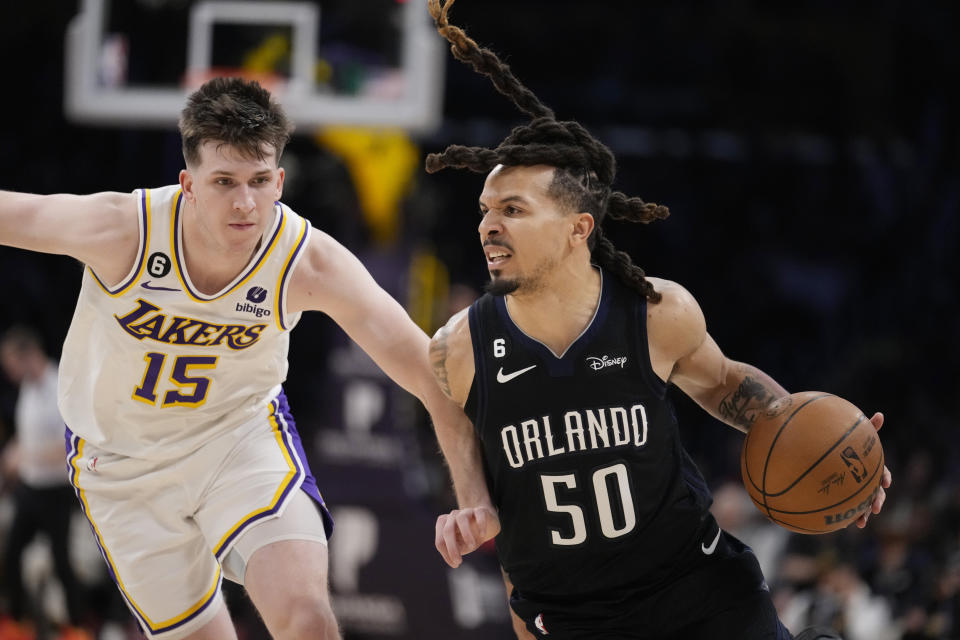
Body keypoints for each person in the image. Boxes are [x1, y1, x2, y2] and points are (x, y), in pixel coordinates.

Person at [424, 1, 892, 639]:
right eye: (485, 209)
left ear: (577, 229)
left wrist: (836, 449)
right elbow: (449, 412)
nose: (487, 225)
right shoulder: (459, 346)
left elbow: (728, 386)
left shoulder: (654, 312)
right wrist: (472, 500)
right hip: (568, 616)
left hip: (695, 589)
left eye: (513, 208)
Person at [0, 76, 487, 640]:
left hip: (237, 441)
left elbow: (431, 374)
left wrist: (473, 496)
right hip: (120, 464)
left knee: (306, 618)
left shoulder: (306, 262)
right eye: (224, 181)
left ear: (280, 181)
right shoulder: (123, 231)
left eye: (259, 181)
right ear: (187, 185)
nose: (244, 202)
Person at [0, 326, 91, 639]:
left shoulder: (58, 385)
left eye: (13, 365)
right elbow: (26, 437)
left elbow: (69, 445)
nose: (10, 374)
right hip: (29, 489)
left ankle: (77, 626)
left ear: (28, 356)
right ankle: (17, 621)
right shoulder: (27, 388)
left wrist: (25, 456)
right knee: (11, 553)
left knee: (61, 560)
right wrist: (12, 454)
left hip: (55, 492)